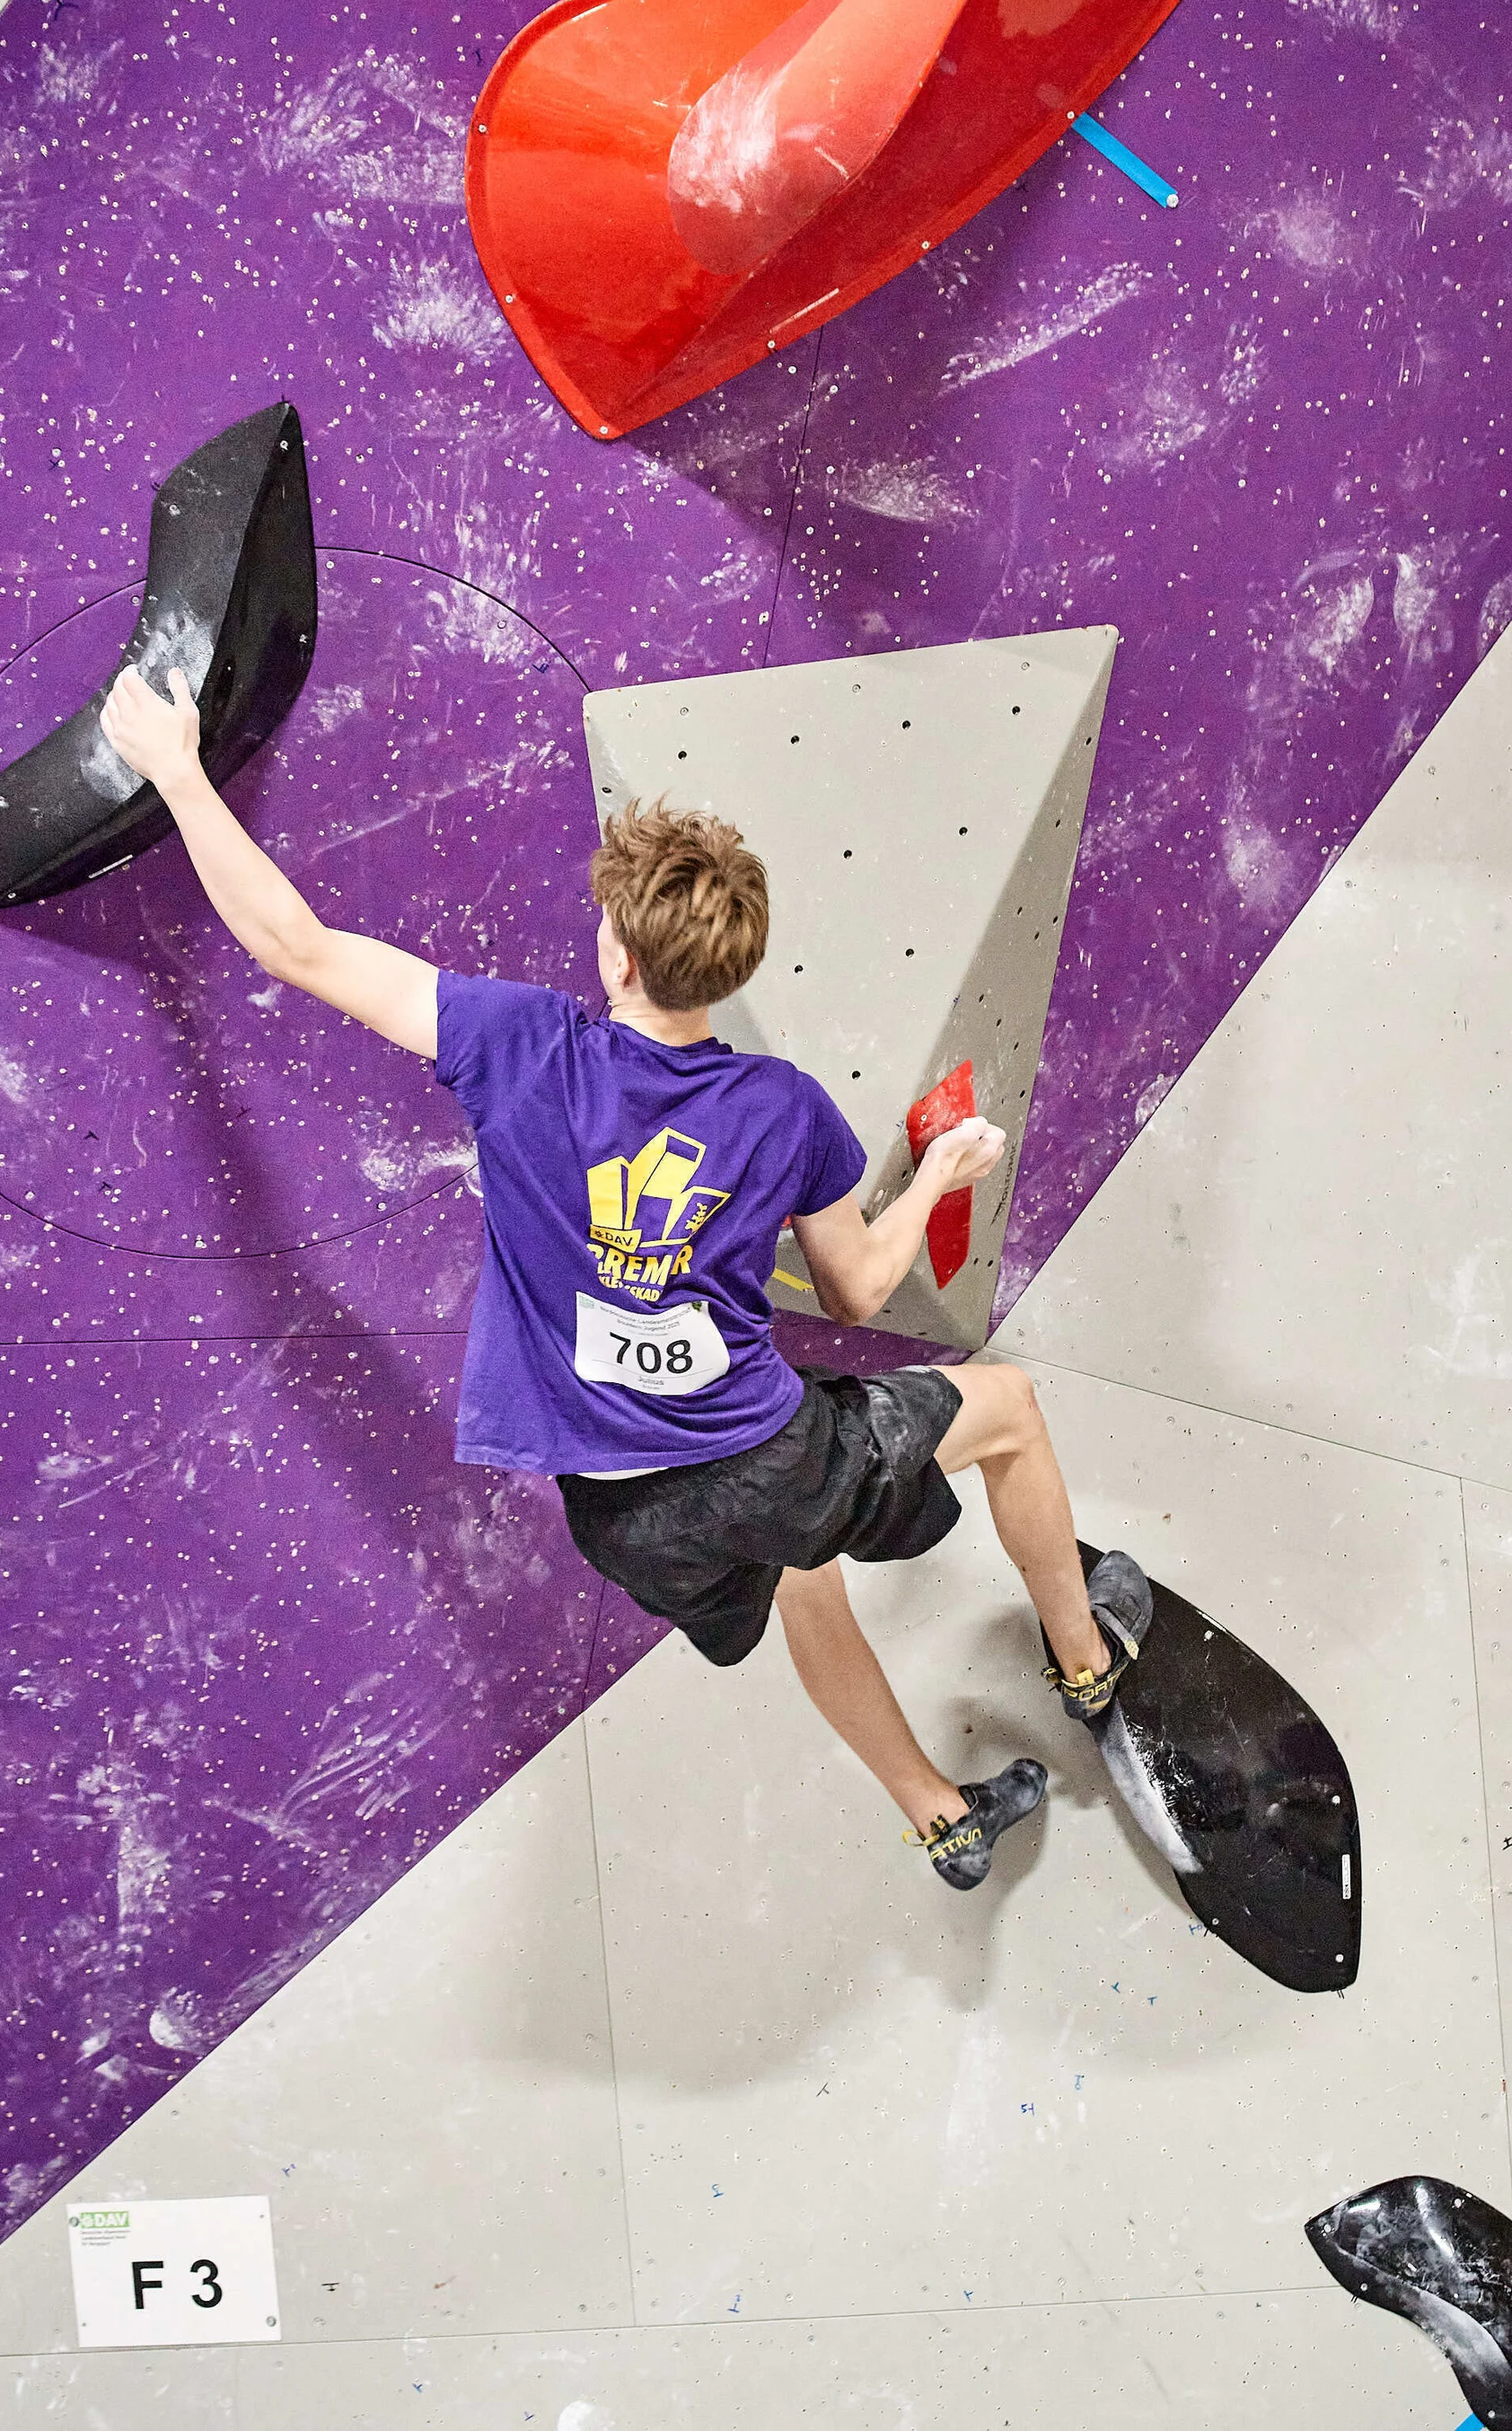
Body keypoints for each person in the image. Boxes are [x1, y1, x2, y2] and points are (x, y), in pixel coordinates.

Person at [100, 665, 1152, 1891]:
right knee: (1008, 1411)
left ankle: (938, 1817)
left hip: (623, 1518)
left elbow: (296, 945)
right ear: (728, 968)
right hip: (767, 1459)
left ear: (617, 955)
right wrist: (934, 1174)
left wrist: (176, 767)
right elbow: (860, 1294)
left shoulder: (515, 1046)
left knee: (804, 1579)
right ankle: (1087, 1665)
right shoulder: (784, 1110)